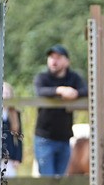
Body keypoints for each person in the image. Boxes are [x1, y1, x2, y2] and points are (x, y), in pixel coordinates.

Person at [32, 44, 88, 176]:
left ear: (66, 61)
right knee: (48, 180)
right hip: (44, 138)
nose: (53, 61)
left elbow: (86, 90)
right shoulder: (43, 77)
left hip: (65, 138)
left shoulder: (74, 78)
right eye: (51, 57)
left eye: (58, 57)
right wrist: (60, 90)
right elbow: (40, 90)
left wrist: (75, 93)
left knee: (61, 180)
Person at [1, 82, 23, 177]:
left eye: (7, 93)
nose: (5, 96)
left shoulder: (15, 114)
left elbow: (19, 137)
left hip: (10, 155)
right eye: (3, 93)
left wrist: (18, 158)